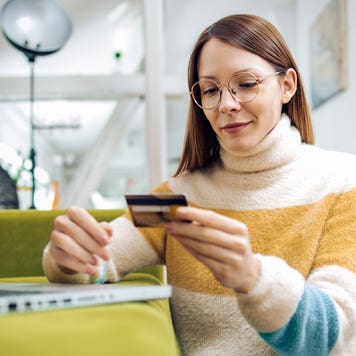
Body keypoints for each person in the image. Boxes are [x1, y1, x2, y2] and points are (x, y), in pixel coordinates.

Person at [43, 14, 356, 355]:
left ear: (287, 85)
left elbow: (330, 334)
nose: (226, 104)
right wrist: (67, 258)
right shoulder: (173, 197)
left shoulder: (344, 181)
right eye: (210, 89)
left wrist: (254, 277)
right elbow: (99, 258)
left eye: (247, 84)